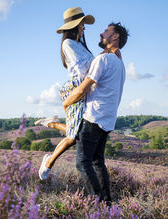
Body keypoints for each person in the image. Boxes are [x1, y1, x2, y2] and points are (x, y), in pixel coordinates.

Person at [36, 7, 119, 180]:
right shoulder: (68, 44)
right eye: (82, 24)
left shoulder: (80, 45)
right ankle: (49, 161)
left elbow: (92, 67)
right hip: (76, 88)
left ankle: (52, 125)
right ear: (75, 25)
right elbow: (83, 69)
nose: (84, 28)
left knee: (78, 133)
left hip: (84, 88)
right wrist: (100, 63)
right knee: (75, 136)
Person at [62, 22, 129, 205]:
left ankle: (98, 205)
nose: (101, 33)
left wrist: (66, 103)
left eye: (106, 31)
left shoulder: (103, 60)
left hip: (93, 118)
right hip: (107, 121)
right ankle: (107, 204)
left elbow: (83, 89)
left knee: (82, 163)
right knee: (98, 162)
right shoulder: (120, 65)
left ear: (115, 37)